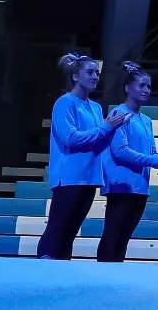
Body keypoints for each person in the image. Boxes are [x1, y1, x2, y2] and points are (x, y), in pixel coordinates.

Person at [40, 53, 122, 260]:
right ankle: (43, 269)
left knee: (70, 233)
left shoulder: (95, 107)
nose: (95, 76)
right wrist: (105, 127)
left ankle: (61, 274)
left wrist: (112, 130)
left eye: (97, 73)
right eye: (90, 72)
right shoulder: (65, 103)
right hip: (69, 176)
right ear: (75, 76)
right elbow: (71, 138)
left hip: (90, 176)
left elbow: (98, 141)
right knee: (57, 229)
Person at [98, 62, 158, 263]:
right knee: (113, 236)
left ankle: (115, 276)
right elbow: (120, 151)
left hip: (140, 186)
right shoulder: (118, 114)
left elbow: (151, 152)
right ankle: (100, 277)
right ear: (127, 88)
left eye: (148, 86)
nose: (146, 90)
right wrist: (154, 160)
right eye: (141, 85)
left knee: (123, 238)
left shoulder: (146, 120)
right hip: (121, 185)